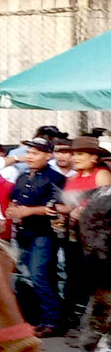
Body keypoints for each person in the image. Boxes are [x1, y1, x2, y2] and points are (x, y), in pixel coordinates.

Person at [5, 137, 66, 337]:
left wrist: (29, 211)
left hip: (44, 233)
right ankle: (36, 318)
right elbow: (14, 199)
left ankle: (52, 321)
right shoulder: (23, 176)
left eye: (35, 153)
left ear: (48, 156)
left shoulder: (55, 178)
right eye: (29, 153)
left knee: (40, 276)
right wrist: (12, 210)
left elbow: (57, 207)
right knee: (25, 277)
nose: (30, 157)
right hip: (24, 233)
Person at [54, 136, 111, 333]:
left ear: (94, 157)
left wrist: (82, 211)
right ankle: (74, 321)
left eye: (79, 154)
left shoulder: (101, 175)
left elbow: (104, 204)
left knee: (92, 279)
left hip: (96, 237)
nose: (74, 158)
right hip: (75, 234)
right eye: (73, 154)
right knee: (74, 276)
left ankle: (94, 324)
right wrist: (59, 210)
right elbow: (69, 205)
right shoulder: (72, 178)